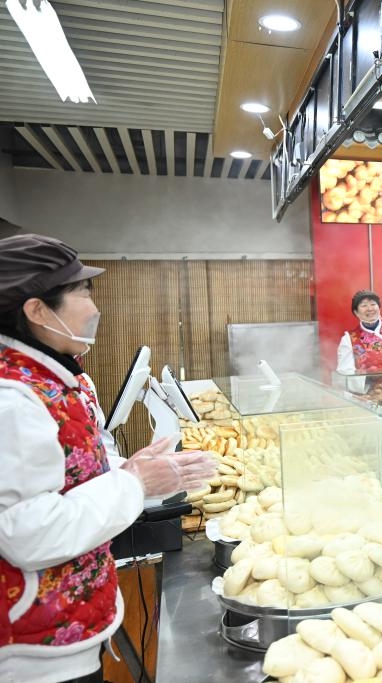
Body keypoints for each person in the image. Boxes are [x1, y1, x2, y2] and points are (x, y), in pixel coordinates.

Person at [0, 234, 215, 683]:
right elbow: (27, 532)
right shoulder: (13, 400)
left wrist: (135, 469)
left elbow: (67, 476)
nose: (93, 307)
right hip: (37, 646)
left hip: (71, 616)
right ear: (37, 310)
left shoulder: (52, 380)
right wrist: (135, 484)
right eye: (81, 292)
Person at [336, 289, 382, 394]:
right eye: (364, 306)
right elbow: (344, 371)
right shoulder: (349, 338)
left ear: (379, 308)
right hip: (367, 397)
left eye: (373, 304)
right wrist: (368, 378)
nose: (370, 309)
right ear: (356, 312)